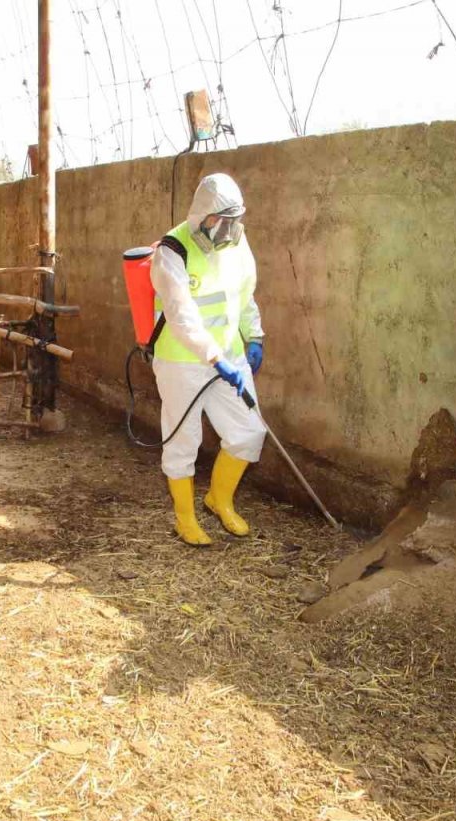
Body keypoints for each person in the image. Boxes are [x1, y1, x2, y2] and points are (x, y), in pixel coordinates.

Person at [150, 173, 266, 546]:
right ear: (206, 217)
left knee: (249, 431)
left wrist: (254, 335)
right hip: (182, 361)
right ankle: (185, 518)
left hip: (229, 356)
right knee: (184, 440)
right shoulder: (172, 250)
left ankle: (219, 500)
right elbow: (181, 317)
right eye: (223, 221)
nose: (230, 229)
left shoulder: (237, 242)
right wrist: (215, 357)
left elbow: (245, 294)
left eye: (235, 221)